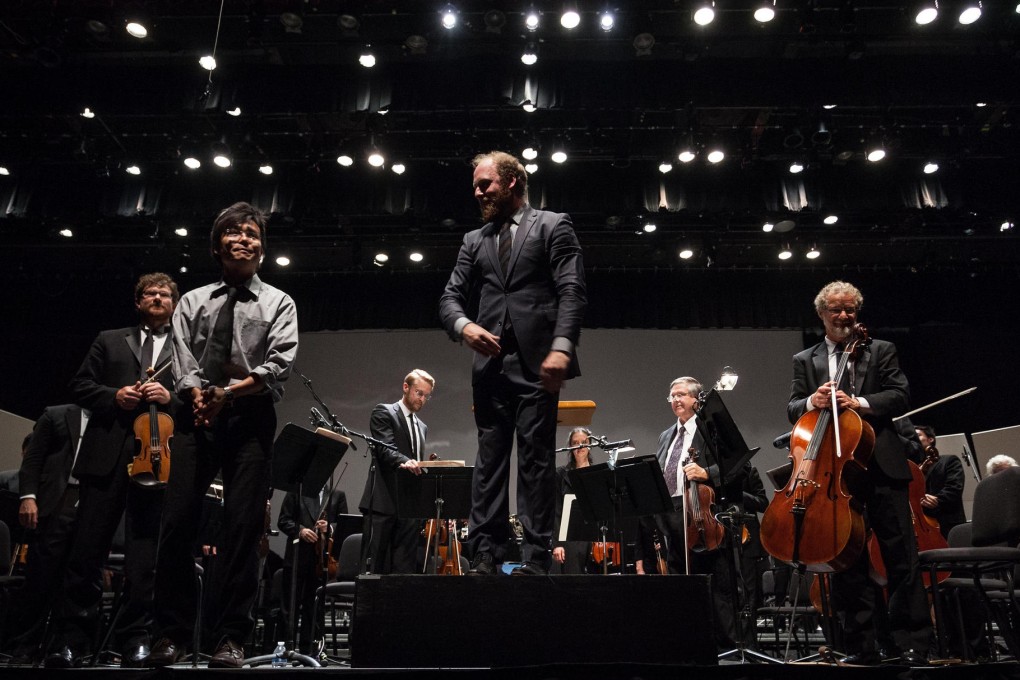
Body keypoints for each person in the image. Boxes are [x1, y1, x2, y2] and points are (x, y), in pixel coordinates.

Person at [146, 201, 298, 668]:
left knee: (243, 527)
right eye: (233, 232)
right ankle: (170, 634)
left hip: (249, 415)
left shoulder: (279, 302)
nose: (243, 238)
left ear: (261, 249)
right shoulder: (191, 300)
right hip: (195, 414)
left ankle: (229, 637)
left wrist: (228, 394)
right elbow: (183, 357)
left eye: (251, 233)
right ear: (218, 246)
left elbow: (281, 362)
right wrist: (197, 395)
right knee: (177, 524)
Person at [439, 151, 587, 576]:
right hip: (489, 368)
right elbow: (449, 298)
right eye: (475, 186)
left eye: (485, 183)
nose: (478, 191)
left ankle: (536, 558)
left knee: (536, 462)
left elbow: (572, 291)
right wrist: (464, 325)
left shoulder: (552, 225)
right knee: (489, 460)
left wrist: (561, 347)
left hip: (539, 365)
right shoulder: (474, 240)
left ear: (512, 182)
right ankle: (485, 554)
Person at [787, 280, 931, 666]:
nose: (844, 316)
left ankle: (911, 643)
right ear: (822, 314)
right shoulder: (806, 359)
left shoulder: (880, 349)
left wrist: (861, 402)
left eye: (850, 309)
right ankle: (861, 646)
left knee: (900, 555)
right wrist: (810, 400)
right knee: (848, 559)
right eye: (836, 309)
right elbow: (792, 407)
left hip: (881, 463)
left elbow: (899, 394)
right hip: (838, 473)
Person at [44, 273, 179, 668]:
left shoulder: (185, 346)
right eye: (150, 293)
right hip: (104, 458)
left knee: (143, 555)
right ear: (137, 302)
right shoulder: (109, 339)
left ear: (174, 303)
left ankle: (135, 636)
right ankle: (74, 637)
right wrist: (113, 395)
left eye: (165, 294)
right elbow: (80, 385)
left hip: (156, 460)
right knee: (86, 551)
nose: (157, 297)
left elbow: (194, 397)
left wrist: (169, 396)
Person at [635, 376, 765, 648]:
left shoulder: (712, 427)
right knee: (681, 586)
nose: (675, 400)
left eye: (681, 394)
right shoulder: (665, 436)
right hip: (671, 516)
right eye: (671, 396)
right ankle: (692, 647)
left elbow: (739, 465)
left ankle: (732, 649)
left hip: (704, 517)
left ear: (696, 400)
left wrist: (707, 472)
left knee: (720, 588)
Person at [3, 405, 84, 662]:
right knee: (42, 574)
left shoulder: (114, 422)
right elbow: (33, 458)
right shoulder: (56, 415)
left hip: (89, 501)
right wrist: (28, 496)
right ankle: (26, 644)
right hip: (56, 498)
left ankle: (62, 646)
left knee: (76, 578)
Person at [357, 369, 432, 574]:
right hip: (383, 503)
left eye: (427, 395)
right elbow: (385, 449)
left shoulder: (422, 426)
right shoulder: (384, 412)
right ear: (406, 387)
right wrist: (407, 462)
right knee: (373, 569)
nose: (423, 399)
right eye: (419, 393)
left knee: (403, 569)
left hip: (409, 508)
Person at [276, 484, 347, 654]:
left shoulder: (338, 494)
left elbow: (343, 525)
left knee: (314, 605)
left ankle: (311, 648)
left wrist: (328, 528)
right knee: (290, 604)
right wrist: (300, 531)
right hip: (297, 556)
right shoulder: (297, 490)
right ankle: (286, 646)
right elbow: (283, 520)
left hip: (320, 559)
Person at [551, 427, 595, 575]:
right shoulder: (560, 474)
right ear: (570, 447)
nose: (580, 446)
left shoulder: (598, 474)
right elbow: (556, 510)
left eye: (584, 442)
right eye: (575, 443)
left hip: (593, 538)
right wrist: (557, 544)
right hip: (569, 539)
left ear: (590, 445)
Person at [914, 425, 966, 539]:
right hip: (923, 525)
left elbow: (954, 488)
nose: (913, 439)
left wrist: (937, 499)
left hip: (948, 523)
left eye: (917, 435)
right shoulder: (912, 468)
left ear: (930, 439)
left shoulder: (949, 460)